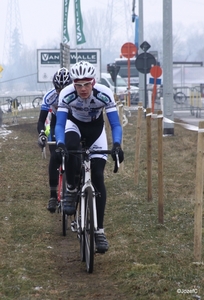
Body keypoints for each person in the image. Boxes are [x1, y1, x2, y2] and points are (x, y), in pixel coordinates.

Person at [54, 61, 124, 253]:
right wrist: (59, 144)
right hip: (74, 126)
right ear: (73, 84)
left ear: (93, 82)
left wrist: (117, 144)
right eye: (78, 84)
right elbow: (59, 124)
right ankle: (70, 188)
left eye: (86, 84)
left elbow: (115, 124)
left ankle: (99, 231)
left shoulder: (104, 93)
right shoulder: (66, 94)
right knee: (70, 147)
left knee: (98, 176)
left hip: (96, 131)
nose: (83, 89)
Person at [37, 67, 72, 213]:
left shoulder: (76, 95)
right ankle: (52, 196)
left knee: (75, 154)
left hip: (73, 122)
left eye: (64, 88)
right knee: (55, 158)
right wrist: (42, 134)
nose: (61, 91)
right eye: (58, 89)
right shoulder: (50, 97)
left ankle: (74, 185)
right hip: (56, 122)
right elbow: (41, 121)